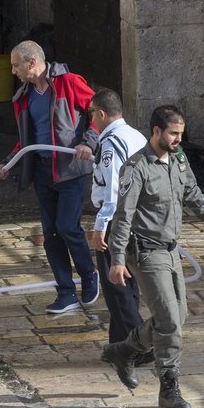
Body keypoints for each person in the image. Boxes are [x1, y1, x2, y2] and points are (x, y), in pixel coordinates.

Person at [104, 105, 204, 408]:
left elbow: (193, 195)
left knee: (178, 317)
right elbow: (123, 216)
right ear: (156, 132)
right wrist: (116, 259)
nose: (179, 139)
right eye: (173, 133)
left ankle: (124, 350)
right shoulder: (136, 167)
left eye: (181, 133)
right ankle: (168, 387)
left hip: (170, 249)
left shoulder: (179, 160)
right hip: (144, 252)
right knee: (168, 319)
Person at [0, 41, 98, 314]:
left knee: (67, 227)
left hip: (70, 168)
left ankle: (89, 274)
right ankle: (65, 292)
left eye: (15, 65)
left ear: (31, 62)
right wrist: (6, 163)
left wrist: (88, 142)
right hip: (41, 170)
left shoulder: (69, 83)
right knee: (50, 234)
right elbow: (26, 140)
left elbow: (98, 113)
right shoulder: (24, 96)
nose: (13, 71)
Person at [75, 88, 152, 363]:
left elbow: (113, 191)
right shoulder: (137, 136)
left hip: (117, 221)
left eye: (91, 114)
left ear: (101, 113)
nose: (91, 121)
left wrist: (101, 227)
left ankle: (141, 347)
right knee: (124, 285)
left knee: (117, 288)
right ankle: (118, 345)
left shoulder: (110, 144)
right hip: (139, 219)